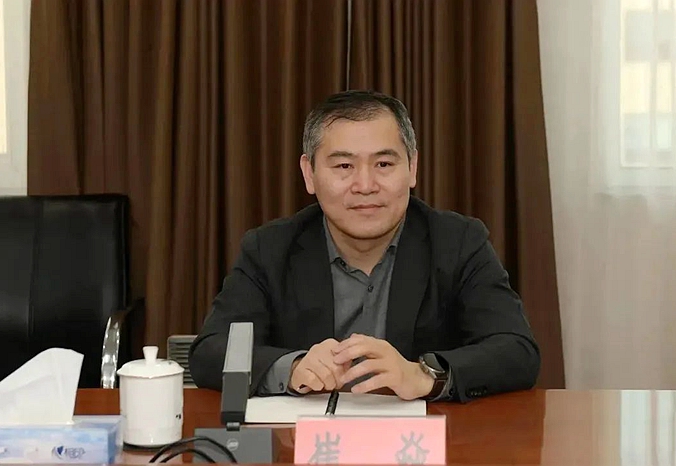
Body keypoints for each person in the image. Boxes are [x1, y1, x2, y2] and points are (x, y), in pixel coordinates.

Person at [188, 90, 540, 402]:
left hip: (422, 444)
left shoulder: (458, 242)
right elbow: (211, 351)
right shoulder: (269, 248)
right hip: (307, 443)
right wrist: (291, 367)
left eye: (384, 164)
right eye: (344, 165)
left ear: (412, 167)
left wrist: (424, 375)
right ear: (309, 174)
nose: (365, 185)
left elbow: (516, 351)